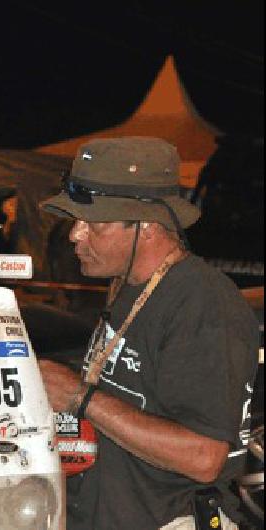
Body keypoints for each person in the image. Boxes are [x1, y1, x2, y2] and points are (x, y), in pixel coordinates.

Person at [37, 137, 259, 530]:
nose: (75, 235)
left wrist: (78, 396)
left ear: (147, 226)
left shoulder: (202, 302)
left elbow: (204, 457)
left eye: (94, 224)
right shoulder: (131, 289)